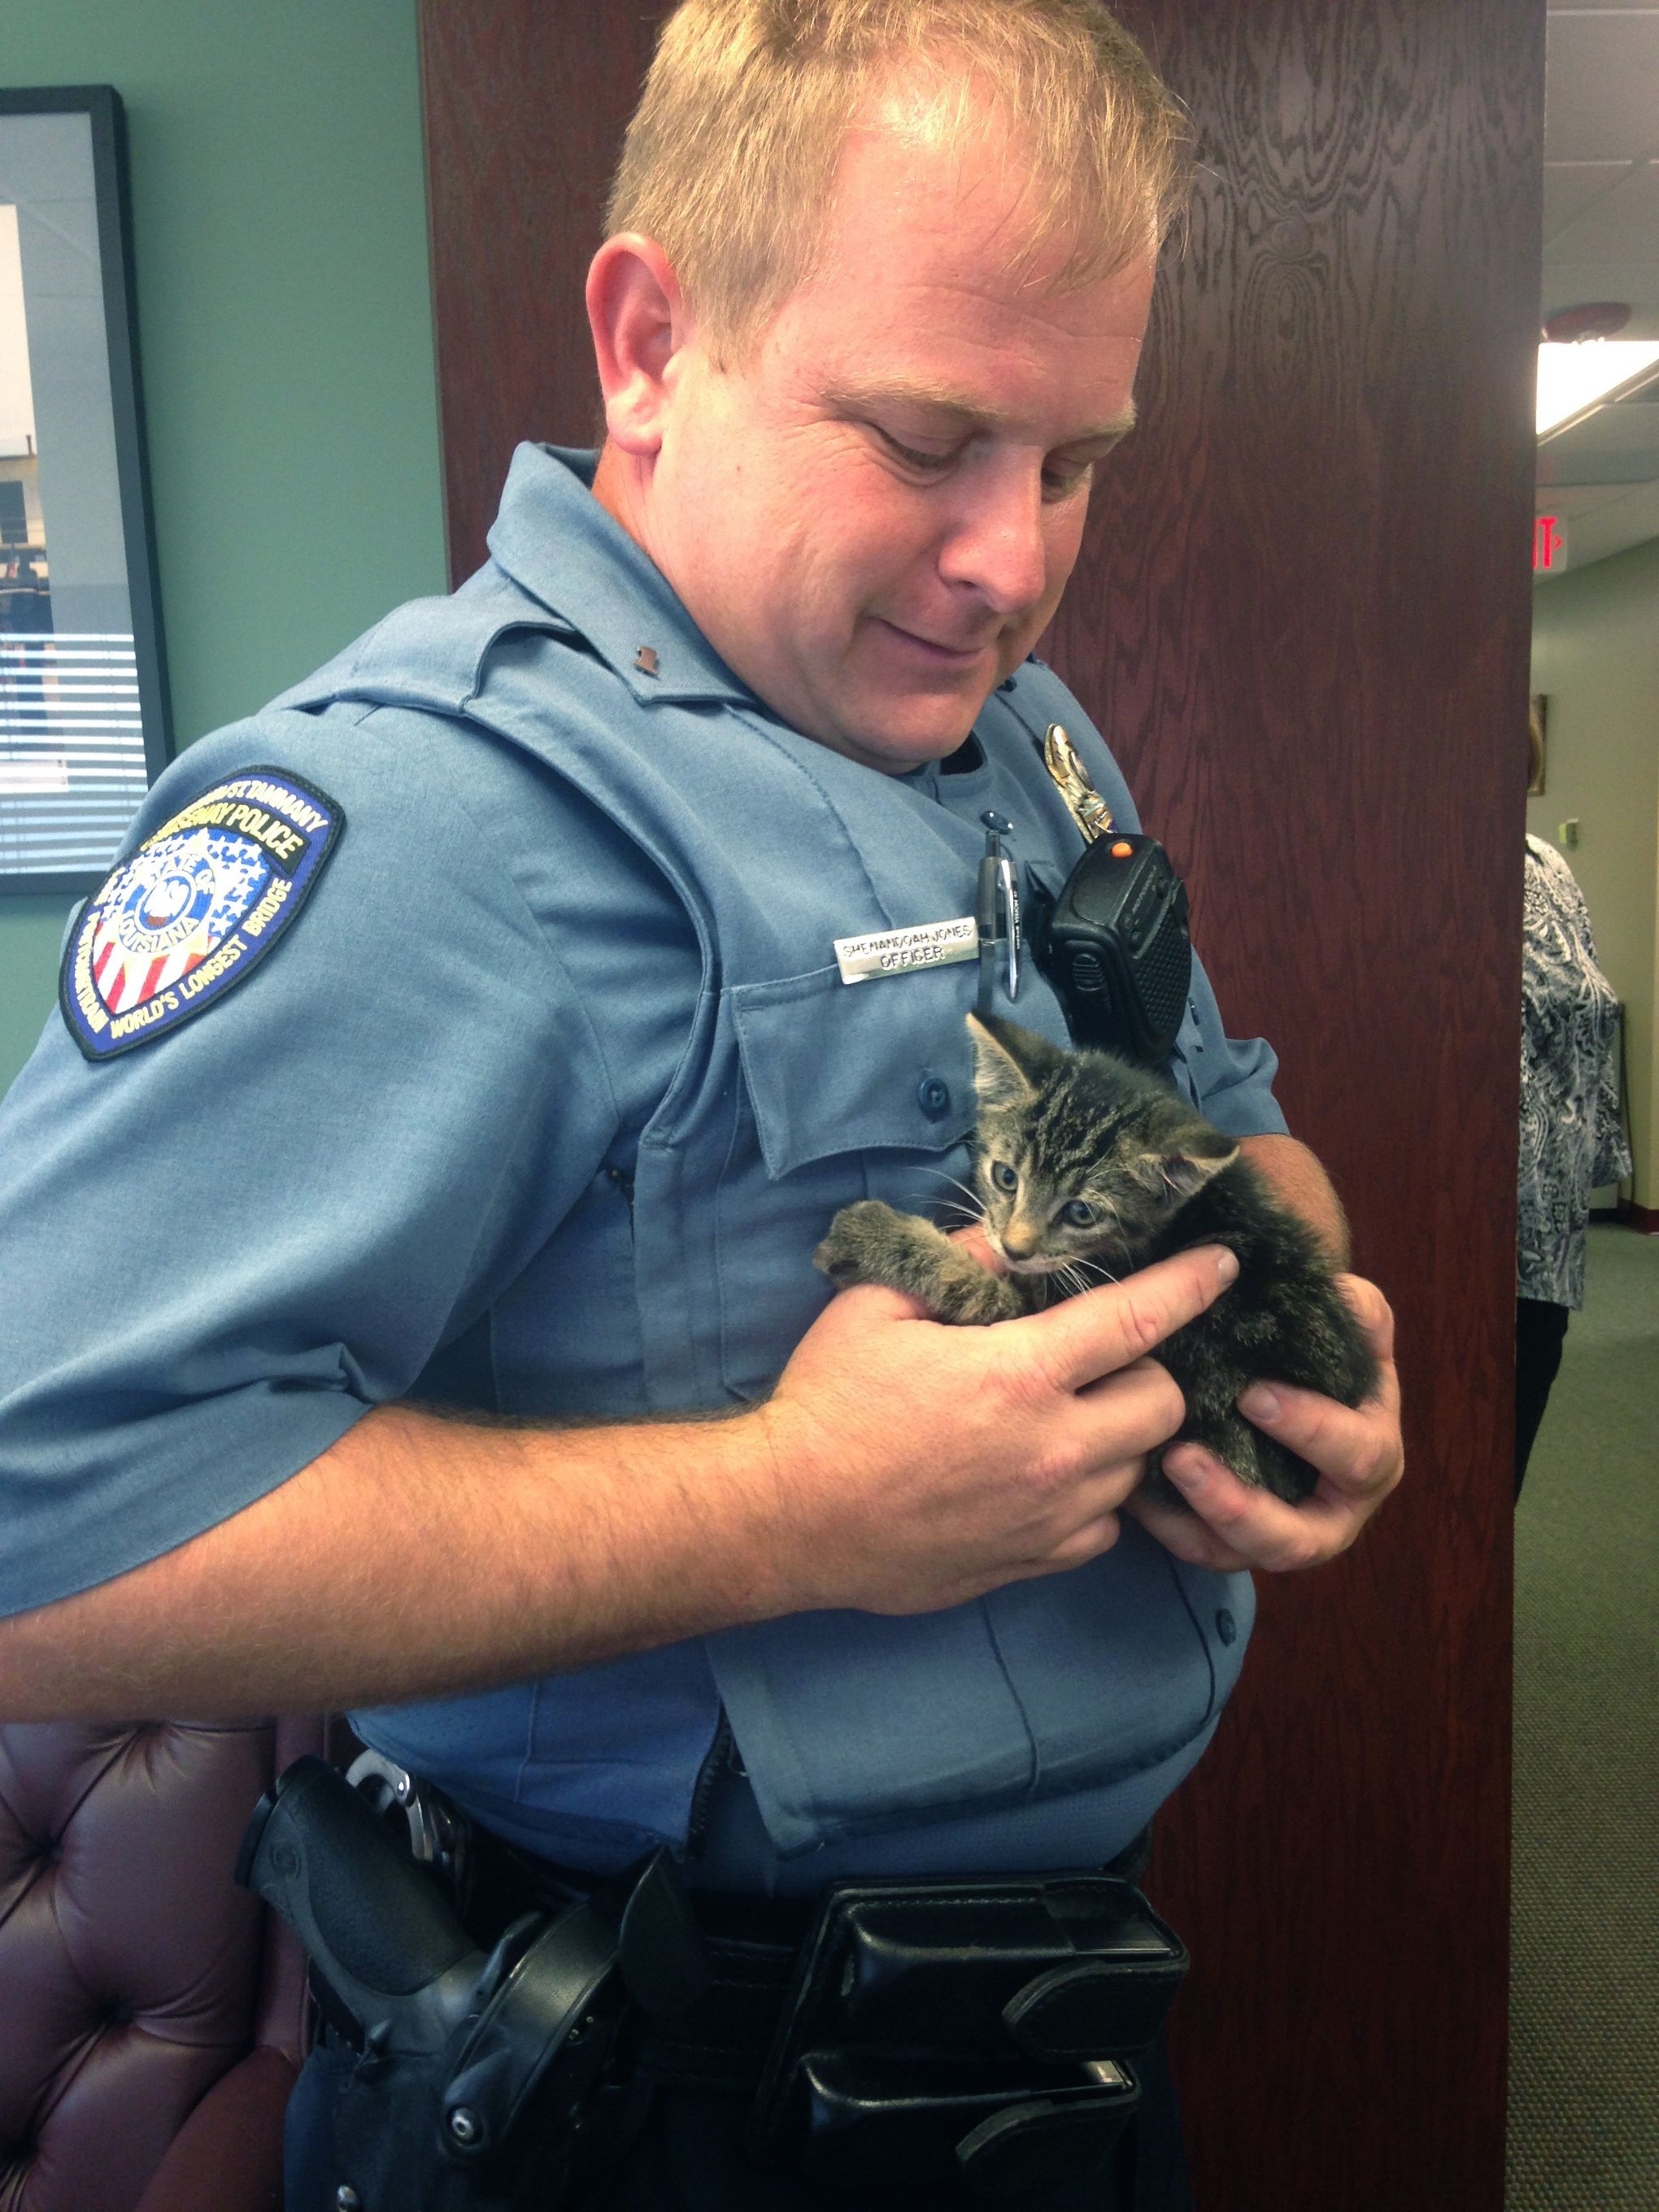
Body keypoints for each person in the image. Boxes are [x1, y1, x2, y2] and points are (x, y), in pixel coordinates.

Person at [0, 3, 1404, 2204]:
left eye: (1076, 460)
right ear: (652, 341)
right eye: (929, 438)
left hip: (1042, 2040)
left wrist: (1320, 1339)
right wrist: (788, 1506)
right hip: (654, 2097)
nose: (1015, 561)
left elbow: (1225, 1108)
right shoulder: (429, 817)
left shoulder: (1022, 747)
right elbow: (34, 1536)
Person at [1516, 714, 1631, 1496]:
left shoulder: (1546, 864)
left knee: (1505, 1464)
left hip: (1548, 1235)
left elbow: (1596, 1011)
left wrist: (1600, 1163)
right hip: (1465, 1222)